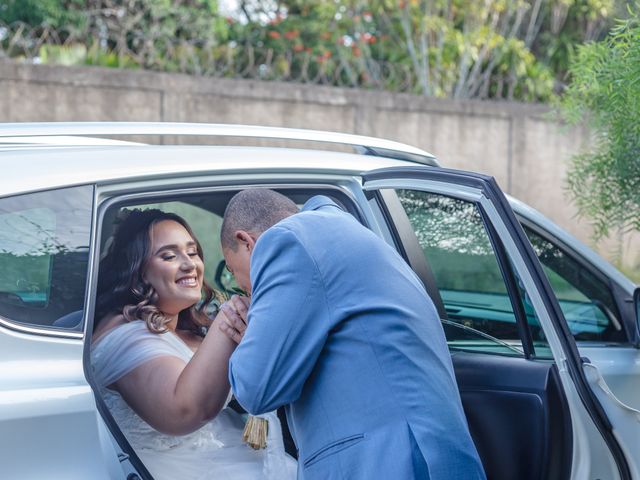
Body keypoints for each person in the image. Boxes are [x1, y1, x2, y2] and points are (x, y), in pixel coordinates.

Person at [220, 189, 486, 479]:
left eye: (234, 272)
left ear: (246, 242)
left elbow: (255, 389)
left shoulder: (286, 241)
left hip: (388, 464)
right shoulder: (345, 234)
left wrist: (253, 338)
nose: (246, 290)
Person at [90, 208, 296, 480]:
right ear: (138, 270)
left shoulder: (184, 326)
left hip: (232, 452)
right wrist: (228, 320)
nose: (190, 264)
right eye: (169, 256)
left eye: (192, 252)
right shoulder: (122, 336)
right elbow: (185, 409)